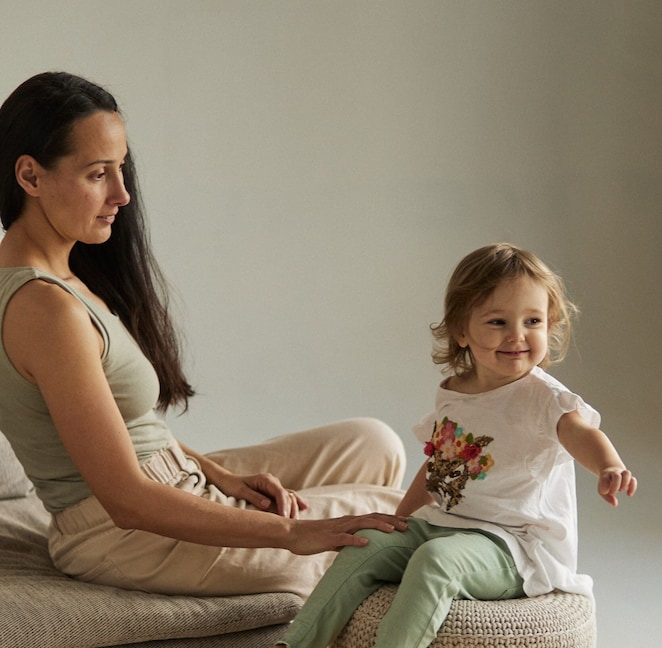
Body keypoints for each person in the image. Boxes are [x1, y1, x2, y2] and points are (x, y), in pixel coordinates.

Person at [0, 71, 409, 612]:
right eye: (99, 174)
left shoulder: (62, 280)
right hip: (122, 534)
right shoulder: (43, 309)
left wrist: (224, 477)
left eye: (121, 169)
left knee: (372, 443)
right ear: (30, 175)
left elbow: (125, 429)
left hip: (171, 476)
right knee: (397, 521)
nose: (122, 194)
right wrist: (293, 535)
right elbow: (126, 500)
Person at [235, 244, 662, 648]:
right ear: (462, 330)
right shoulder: (455, 393)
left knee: (436, 561)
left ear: (550, 326)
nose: (517, 337)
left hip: (513, 546)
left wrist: (608, 465)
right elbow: (438, 464)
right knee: (366, 543)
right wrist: (400, 518)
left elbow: (581, 433)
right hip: (446, 523)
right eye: (497, 322)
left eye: (533, 321)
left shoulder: (541, 396)